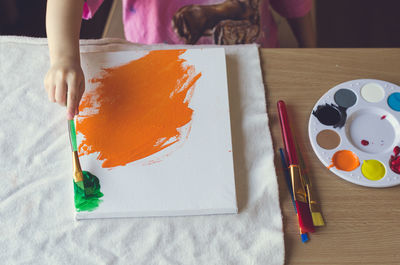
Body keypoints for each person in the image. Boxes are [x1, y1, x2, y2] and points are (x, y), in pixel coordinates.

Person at [44, 0, 316, 120]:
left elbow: (296, 7)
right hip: (159, 71)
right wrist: (64, 57)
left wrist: (311, 52)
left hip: (252, 66)